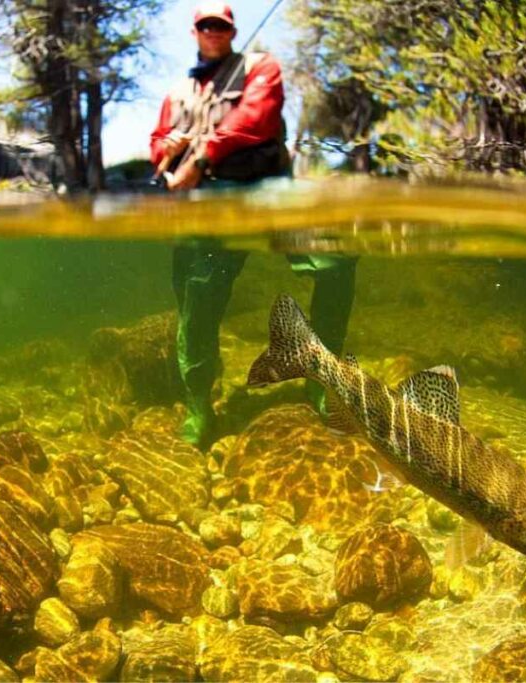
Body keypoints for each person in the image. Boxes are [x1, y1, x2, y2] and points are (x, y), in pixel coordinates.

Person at [151, 1, 357, 449]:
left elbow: (255, 119)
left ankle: (322, 378)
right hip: (211, 204)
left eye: (220, 26)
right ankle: (199, 403)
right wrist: (169, 149)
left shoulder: (261, 68)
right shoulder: (179, 92)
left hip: (271, 193)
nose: (213, 32)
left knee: (336, 260)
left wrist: (202, 151)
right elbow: (159, 143)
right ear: (195, 32)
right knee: (196, 299)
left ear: (231, 30)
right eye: (205, 26)